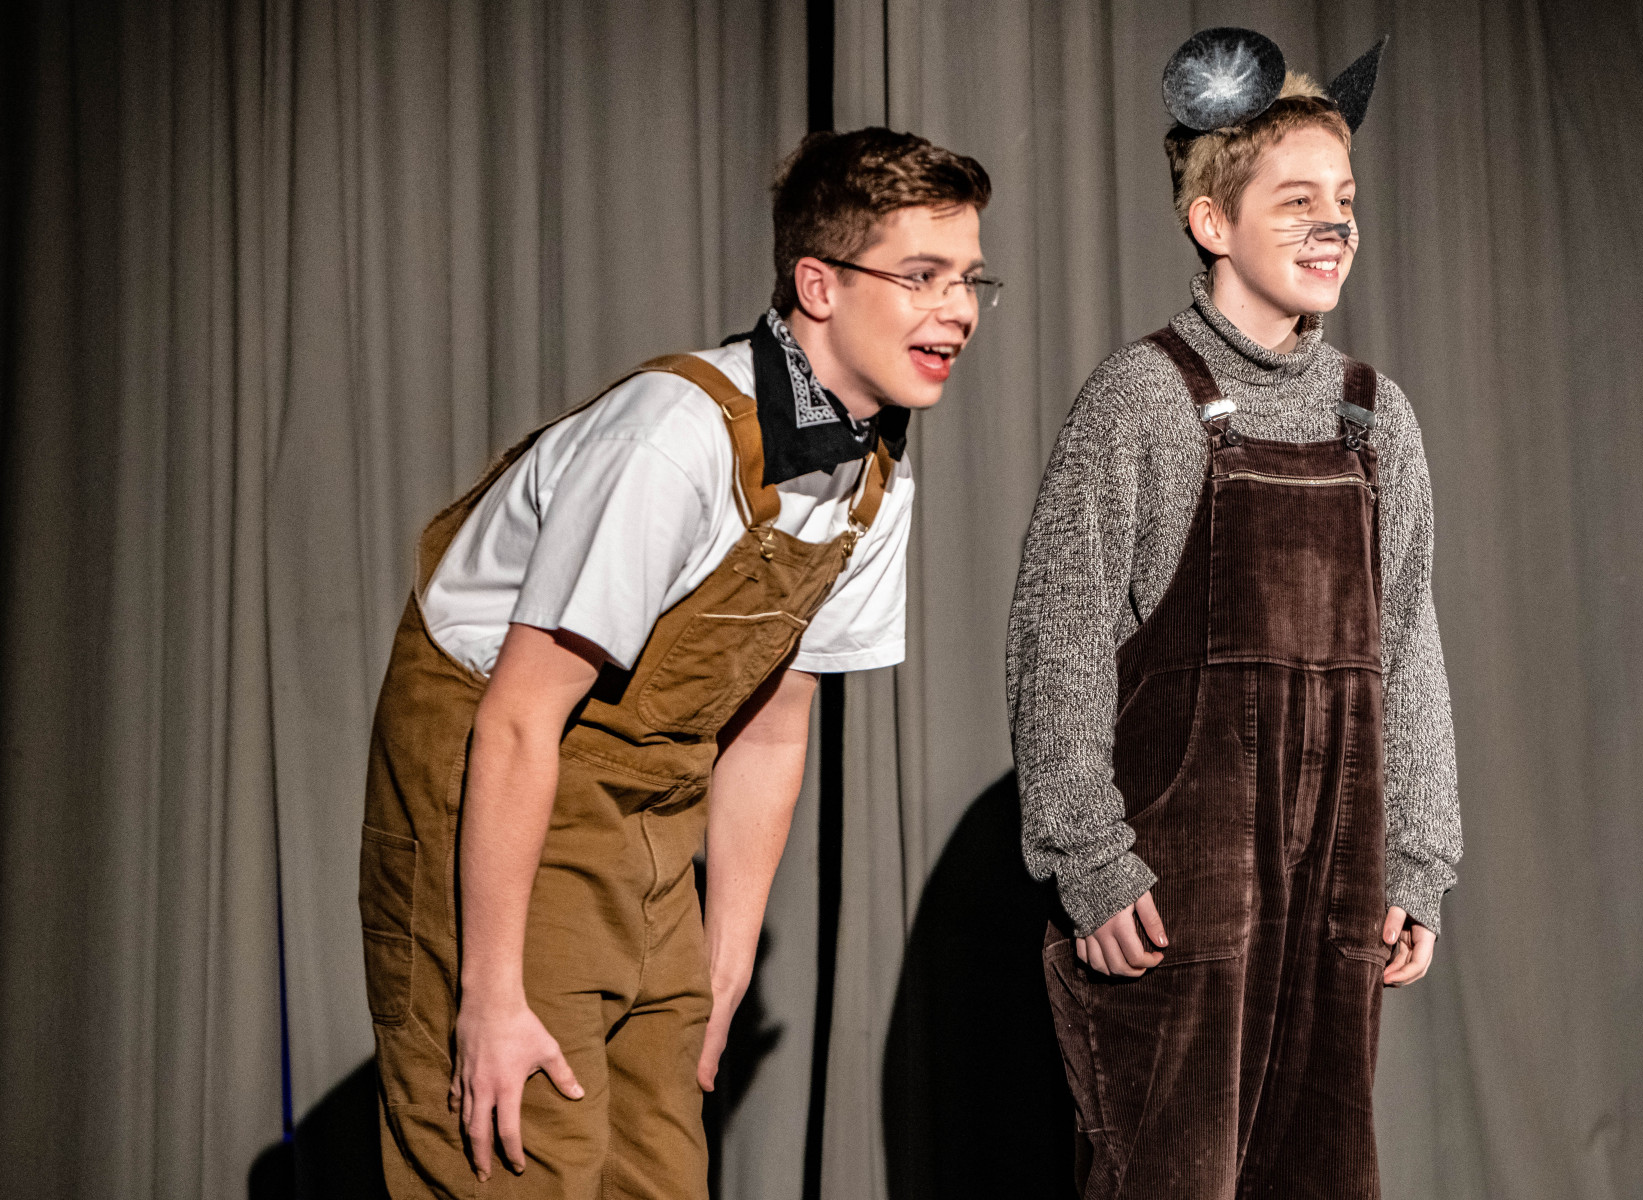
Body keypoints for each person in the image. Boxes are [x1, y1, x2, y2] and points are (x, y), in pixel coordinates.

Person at [359, 126, 994, 1199]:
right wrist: (489, 992)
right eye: (922, 275)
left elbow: (773, 721)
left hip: (655, 810)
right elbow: (517, 719)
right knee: (519, 1159)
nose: (959, 309)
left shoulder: (876, 477)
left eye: (970, 278)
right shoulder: (672, 438)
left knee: (656, 1169)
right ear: (820, 285)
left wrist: (724, 959)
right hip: (507, 786)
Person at [1007, 27, 1461, 1198]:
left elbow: (1407, 644)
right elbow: (1060, 634)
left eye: (1345, 201)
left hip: (1330, 895)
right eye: (1298, 201)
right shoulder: (1143, 400)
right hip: (1177, 901)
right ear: (1212, 221)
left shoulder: (1376, 418)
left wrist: (1416, 858)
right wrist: (1091, 861)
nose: (1334, 226)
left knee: (1316, 1174)